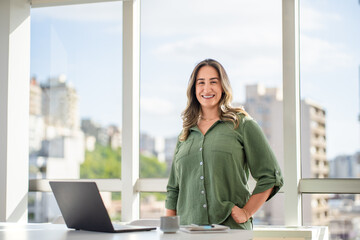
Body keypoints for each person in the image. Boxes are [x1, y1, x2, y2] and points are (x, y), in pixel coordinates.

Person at [165, 58, 284, 230]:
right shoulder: (185, 134)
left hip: (230, 231)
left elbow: (271, 176)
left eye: (213, 82)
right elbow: (173, 190)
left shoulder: (241, 124)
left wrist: (246, 212)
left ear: (223, 87)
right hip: (188, 233)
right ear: (194, 89)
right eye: (201, 83)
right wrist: (169, 232)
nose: (207, 89)